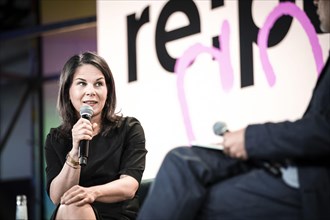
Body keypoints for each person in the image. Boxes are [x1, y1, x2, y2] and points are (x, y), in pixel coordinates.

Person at [137, 0, 330, 219]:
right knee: (180, 161)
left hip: (310, 179)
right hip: (290, 163)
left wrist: (250, 139)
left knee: (197, 200)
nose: (315, 1)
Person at [45, 51, 147, 220]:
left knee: (74, 205)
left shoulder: (129, 129)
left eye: (98, 84)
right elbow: (58, 197)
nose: (91, 91)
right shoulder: (57, 138)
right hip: (71, 213)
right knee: (71, 206)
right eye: (82, 83)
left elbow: (129, 186)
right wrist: (75, 149)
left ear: (108, 91)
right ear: (67, 92)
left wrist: (91, 193)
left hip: (117, 214)